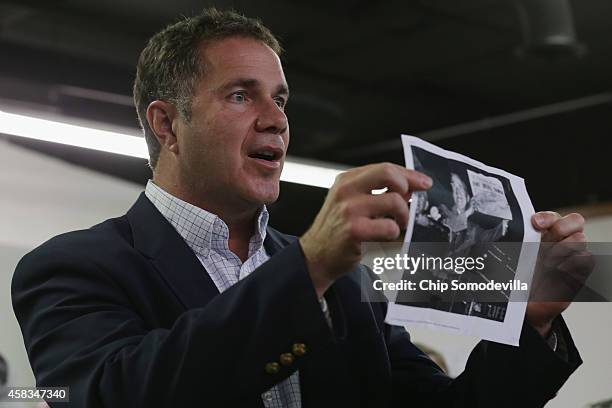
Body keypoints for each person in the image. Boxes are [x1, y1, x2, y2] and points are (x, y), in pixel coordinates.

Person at [12, 8, 588, 408]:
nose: (276, 119)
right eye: (241, 95)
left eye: (280, 99)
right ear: (167, 124)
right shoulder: (72, 268)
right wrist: (310, 267)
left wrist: (534, 318)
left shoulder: (343, 282)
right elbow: (119, 395)